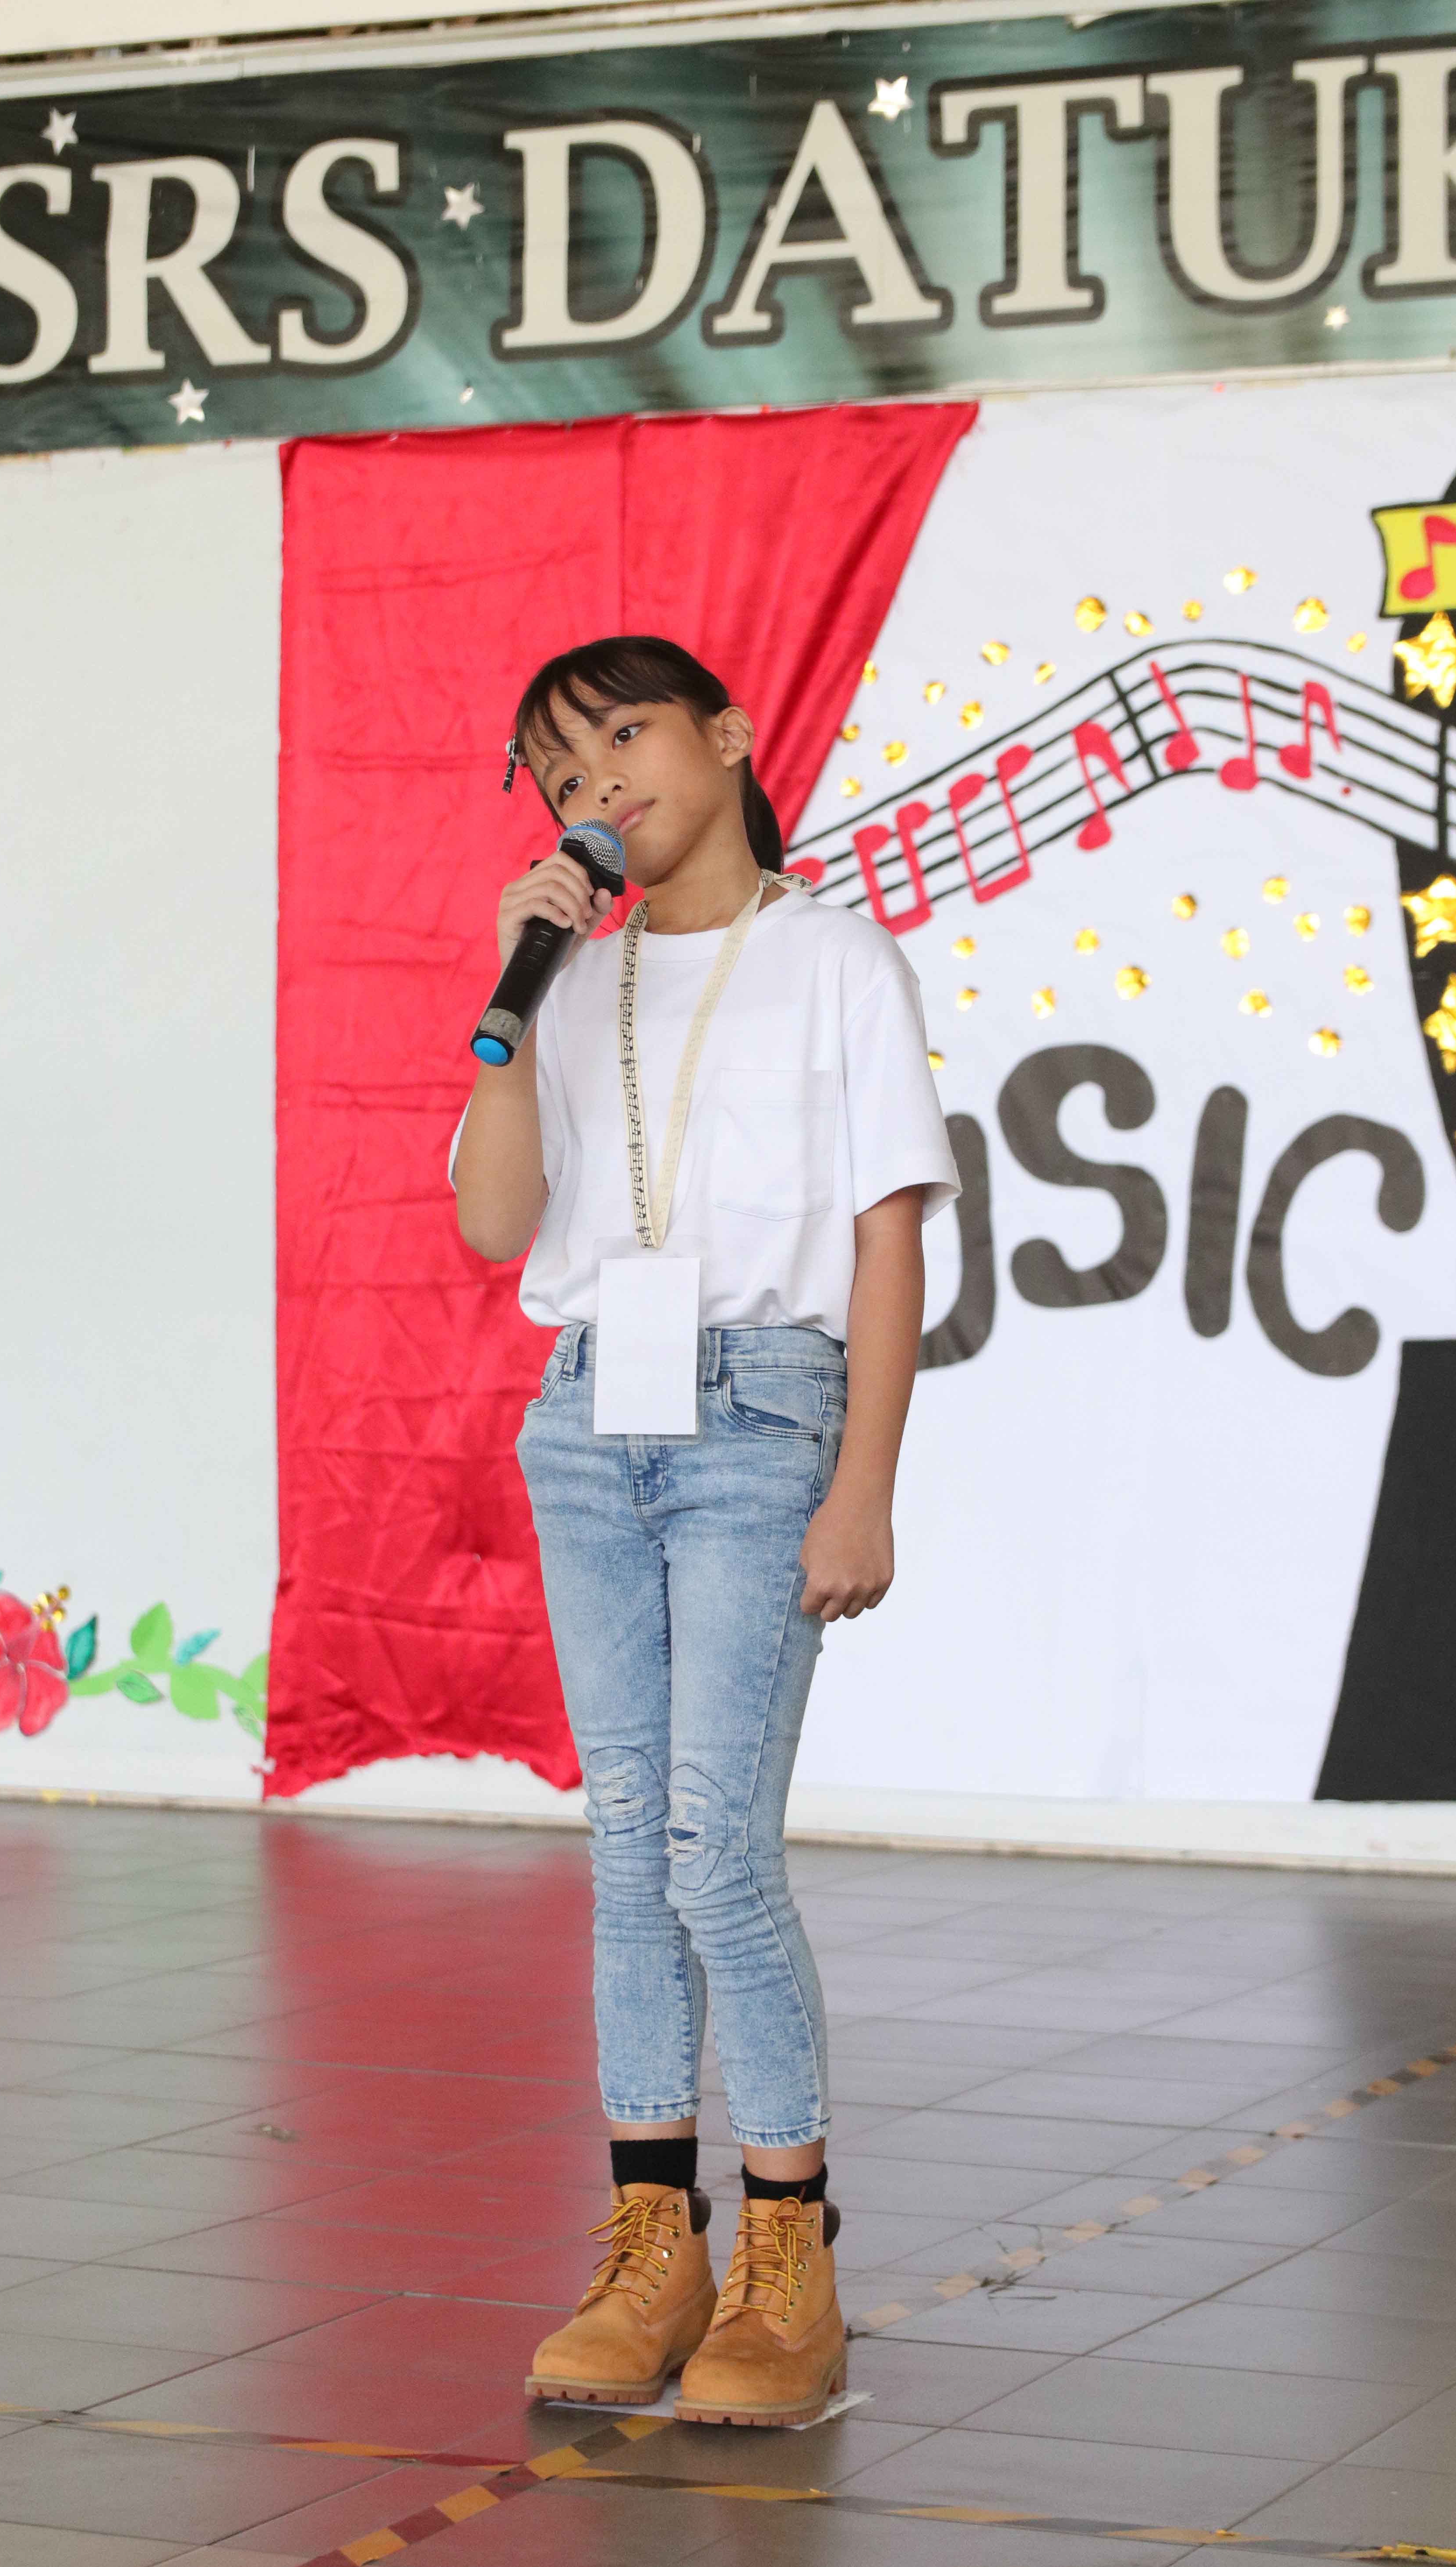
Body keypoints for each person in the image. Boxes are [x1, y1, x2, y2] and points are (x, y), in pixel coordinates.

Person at [452, 636, 956, 2426]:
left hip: (762, 1412)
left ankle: (788, 2259)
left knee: (710, 1848)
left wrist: (864, 1482)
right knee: (623, 1845)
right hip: (591, 1412)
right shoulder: (572, 980)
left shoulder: (834, 960)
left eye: (625, 735)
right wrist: (512, 1006)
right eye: (559, 770)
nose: (596, 783)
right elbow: (495, 1222)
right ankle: (651, 2247)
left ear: (729, 737)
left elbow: (889, 1239)